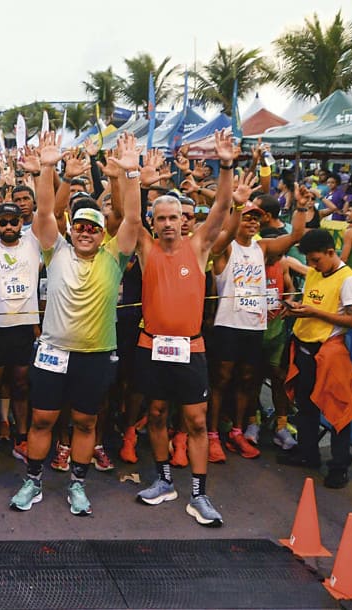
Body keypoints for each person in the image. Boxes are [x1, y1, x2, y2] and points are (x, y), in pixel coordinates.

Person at [8, 132, 139, 517]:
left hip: (95, 355)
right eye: (79, 225)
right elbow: (45, 213)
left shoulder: (114, 257)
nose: (84, 231)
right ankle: (32, 481)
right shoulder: (56, 250)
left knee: (85, 421)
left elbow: (132, 217)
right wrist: (49, 168)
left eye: (93, 228)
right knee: (43, 418)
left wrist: (130, 175)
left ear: (102, 235)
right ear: (72, 230)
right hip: (52, 352)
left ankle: (78, 485)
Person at [134, 131, 234, 527]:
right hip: (152, 346)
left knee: (196, 421)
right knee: (156, 413)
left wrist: (226, 165)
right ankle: (163, 480)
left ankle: (199, 493)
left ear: (183, 219)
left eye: (174, 217)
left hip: (190, 349)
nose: (169, 224)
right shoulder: (146, 247)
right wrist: (134, 181)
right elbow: (125, 216)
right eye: (161, 218)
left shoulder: (199, 246)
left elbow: (223, 207)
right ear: (153, 223)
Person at [207, 179, 305, 460]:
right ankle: (213, 434)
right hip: (228, 326)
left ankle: (238, 431)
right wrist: (238, 204)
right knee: (221, 380)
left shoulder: (262, 249)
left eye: (256, 218)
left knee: (248, 380)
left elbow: (296, 235)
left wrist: (301, 205)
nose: (252, 222)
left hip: (254, 326)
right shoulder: (225, 247)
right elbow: (225, 231)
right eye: (247, 217)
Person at [279, 229, 352, 489]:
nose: (312, 266)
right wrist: (295, 308)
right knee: (305, 406)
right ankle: (308, 453)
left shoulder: (349, 281)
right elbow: (312, 298)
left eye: (316, 260)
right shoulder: (316, 271)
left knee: (337, 408)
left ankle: (339, 466)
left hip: (329, 351)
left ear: (330, 252)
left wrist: (313, 312)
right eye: (310, 261)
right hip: (304, 348)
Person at [0, 197, 41, 468]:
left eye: (15, 221)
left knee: (21, 386)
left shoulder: (32, 244)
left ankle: (22, 438)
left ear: (23, 222)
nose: (9, 226)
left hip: (23, 328)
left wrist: (41, 172)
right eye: (3, 222)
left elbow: (51, 212)